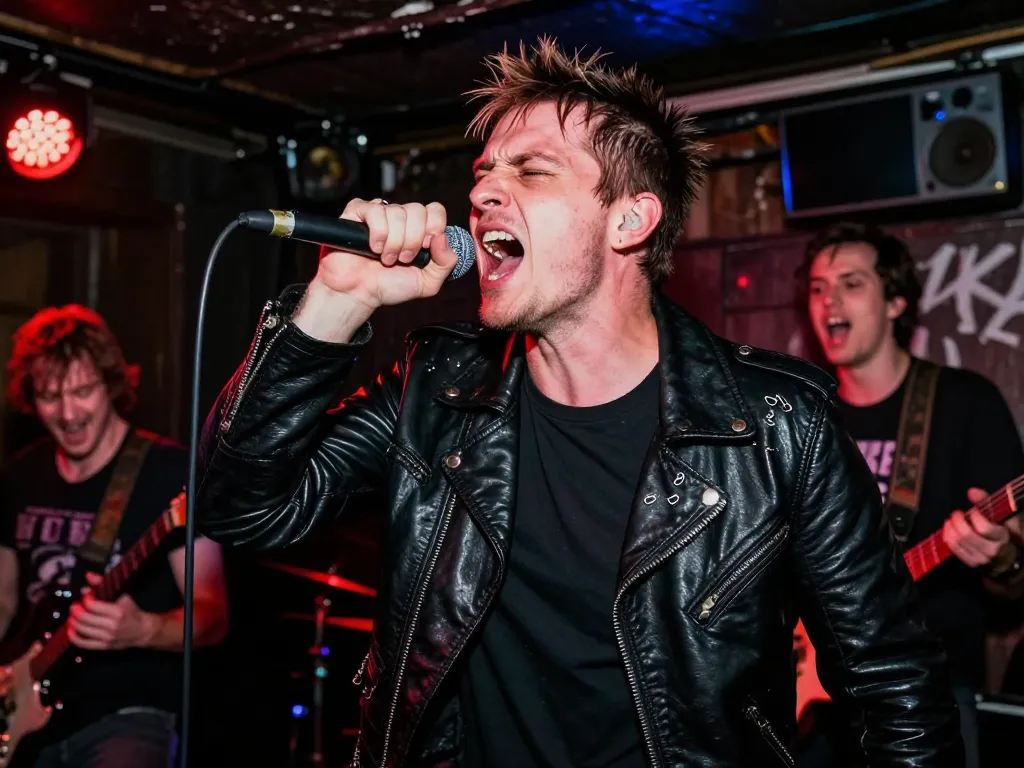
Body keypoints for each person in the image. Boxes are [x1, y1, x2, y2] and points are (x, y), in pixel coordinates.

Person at [196, 38, 962, 767]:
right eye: (485, 172)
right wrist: (335, 302)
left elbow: (897, 688)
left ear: (631, 219)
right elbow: (242, 509)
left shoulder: (776, 425)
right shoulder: (436, 388)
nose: (481, 193)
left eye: (531, 170)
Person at [799, 221, 1024, 767]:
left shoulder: (964, 403)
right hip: (811, 695)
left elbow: (1016, 577)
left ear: (896, 301)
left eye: (851, 283)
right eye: (818, 287)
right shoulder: (805, 414)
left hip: (927, 694)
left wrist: (1002, 556)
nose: (830, 301)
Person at [0, 305, 229, 768]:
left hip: (128, 712)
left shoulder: (170, 473)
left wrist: (146, 628)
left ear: (111, 384)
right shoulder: (20, 475)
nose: (68, 413)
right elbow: (3, 602)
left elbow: (212, 615)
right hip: (22, 705)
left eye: (82, 391)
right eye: (49, 396)